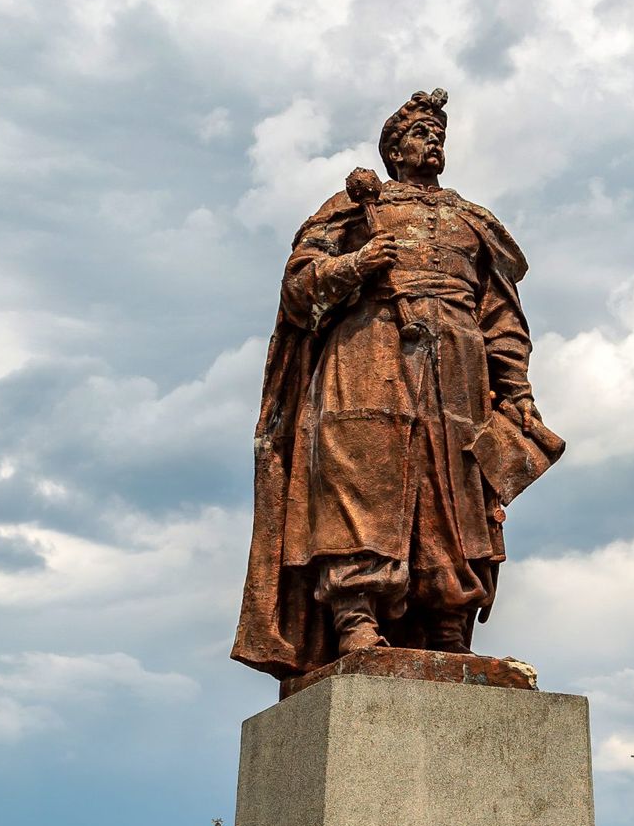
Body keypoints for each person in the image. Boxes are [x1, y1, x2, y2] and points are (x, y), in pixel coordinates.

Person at [232, 89, 560, 676]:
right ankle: (356, 619)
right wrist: (357, 264)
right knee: (362, 482)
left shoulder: (472, 222)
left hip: (457, 370)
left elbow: (502, 317)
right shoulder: (351, 210)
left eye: (439, 133)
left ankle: (450, 626)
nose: (432, 140)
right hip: (368, 358)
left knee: (456, 495)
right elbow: (298, 288)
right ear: (393, 149)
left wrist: (517, 391)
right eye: (419, 132)